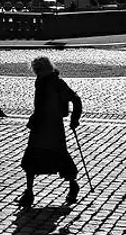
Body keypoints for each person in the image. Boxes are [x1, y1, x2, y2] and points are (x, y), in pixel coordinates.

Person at [18, 55, 84, 208]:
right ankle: (29, 191)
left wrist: (75, 119)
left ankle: (73, 185)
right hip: (39, 126)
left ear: (46, 68)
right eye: (36, 70)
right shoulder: (39, 82)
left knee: (59, 156)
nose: (37, 72)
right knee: (31, 158)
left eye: (39, 69)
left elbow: (76, 99)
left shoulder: (57, 83)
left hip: (53, 127)